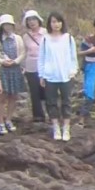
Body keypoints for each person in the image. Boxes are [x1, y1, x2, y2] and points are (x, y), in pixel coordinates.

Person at [38, 12, 78, 141]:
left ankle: (66, 127)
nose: (56, 24)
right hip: (50, 75)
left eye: (58, 21)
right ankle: (56, 127)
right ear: (50, 24)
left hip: (66, 74)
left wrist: (73, 71)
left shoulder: (68, 38)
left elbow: (73, 56)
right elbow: (41, 58)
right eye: (53, 21)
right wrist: (42, 75)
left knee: (67, 101)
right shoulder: (45, 39)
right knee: (51, 102)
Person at [0, 14, 26, 134]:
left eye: (9, 24)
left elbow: (23, 53)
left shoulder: (17, 38)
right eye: (5, 24)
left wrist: (15, 61)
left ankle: (9, 119)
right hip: (2, 70)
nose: (7, 27)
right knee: (2, 97)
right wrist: (3, 61)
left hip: (15, 69)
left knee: (14, 96)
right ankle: (0, 122)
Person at [21, 10, 48, 122]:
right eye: (29, 20)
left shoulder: (46, 33)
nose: (32, 22)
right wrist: (22, 66)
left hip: (45, 66)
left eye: (34, 19)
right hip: (31, 66)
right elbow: (24, 52)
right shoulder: (26, 37)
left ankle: (51, 114)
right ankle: (38, 116)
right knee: (34, 92)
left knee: (47, 90)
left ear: (38, 20)